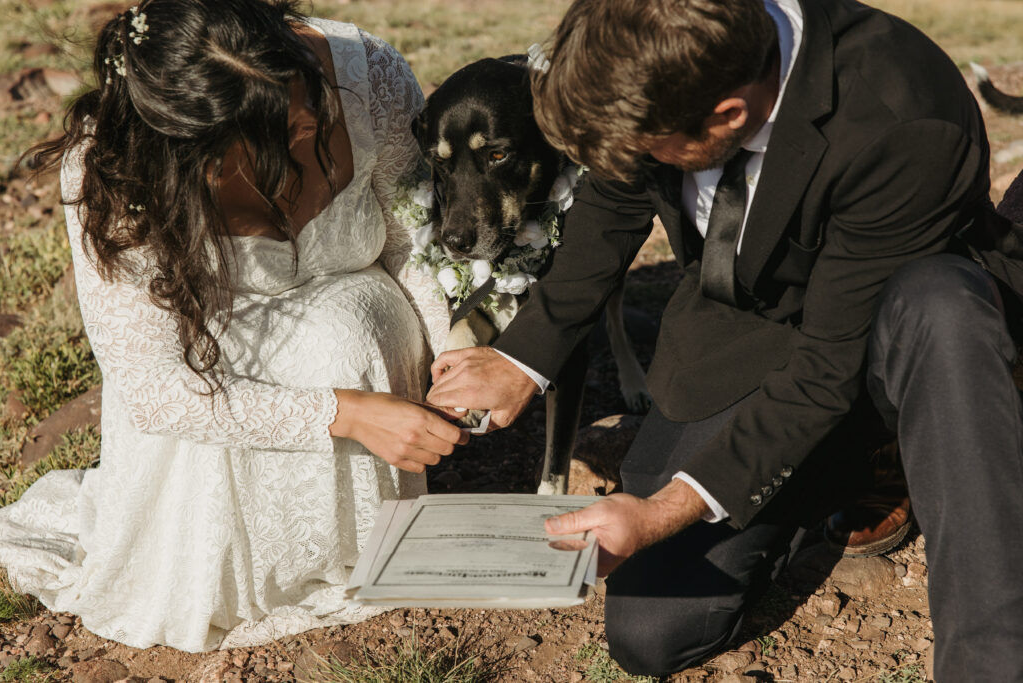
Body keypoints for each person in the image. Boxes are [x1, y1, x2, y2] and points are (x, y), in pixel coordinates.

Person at [427, 0, 1023, 679]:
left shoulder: (901, 115)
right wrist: (522, 356)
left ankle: (987, 649)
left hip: (896, 327)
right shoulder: (659, 69)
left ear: (729, 115)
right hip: (744, 333)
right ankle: (846, 466)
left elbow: (825, 368)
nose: (634, 165)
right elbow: (614, 203)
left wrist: (661, 509)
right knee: (653, 629)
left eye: (648, 150)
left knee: (943, 310)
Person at [0, 0, 467, 652]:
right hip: (207, 375)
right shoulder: (114, 172)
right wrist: (347, 414)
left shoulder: (368, 78)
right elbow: (156, 390)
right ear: (193, 155)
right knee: (255, 379)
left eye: (306, 90)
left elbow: (417, 247)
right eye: (281, 129)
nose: (312, 118)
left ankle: (372, 540)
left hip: (356, 325)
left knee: (344, 335)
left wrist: (457, 355)